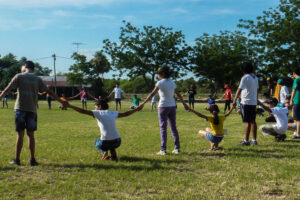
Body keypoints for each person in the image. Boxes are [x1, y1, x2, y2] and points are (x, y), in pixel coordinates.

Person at [0, 61, 66, 166]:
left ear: (25, 66)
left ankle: (17, 160)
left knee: (20, 135)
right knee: (31, 135)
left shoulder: (18, 76)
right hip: (32, 110)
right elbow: (50, 92)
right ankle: (32, 160)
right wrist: (61, 101)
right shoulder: (37, 79)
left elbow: (7, 89)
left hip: (20, 109)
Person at [65, 99, 142, 161]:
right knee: (110, 141)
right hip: (118, 141)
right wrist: (136, 109)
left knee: (96, 142)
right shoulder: (112, 113)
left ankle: (105, 152)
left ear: (100, 107)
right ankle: (113, 153)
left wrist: (70, 106)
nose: (94, 109)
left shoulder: (98, 113)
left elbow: (83, 111)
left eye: (95, 107)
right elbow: (125, 114)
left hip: (105, 143)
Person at [137, 67, 189, 155]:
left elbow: (152, 94)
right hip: (172, 106)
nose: (157, 75)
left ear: (163, 74)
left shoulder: (160, 83)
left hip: (163, 106)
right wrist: (184, 104)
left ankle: (163, 150)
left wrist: (143, 103)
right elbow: (178, 94)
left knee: (163, 128)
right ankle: (177, 148)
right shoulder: (172, 82)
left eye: (158, 74)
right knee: (173, 127)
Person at [233, 61, 259, 146]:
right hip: (253, 102)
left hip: (246, 102)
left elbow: (239, 89)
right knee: (253, 121)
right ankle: (254, 140)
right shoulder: (255, 77)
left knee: (247, 122)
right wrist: (256, 100)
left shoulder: (245, 77)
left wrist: (234, 100)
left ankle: (246, 141)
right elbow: (257, 90)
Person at [289, 68, 300, 139]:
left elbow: (294, 90)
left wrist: (291, 99)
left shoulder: (297, 80)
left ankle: (298, 134)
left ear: (294, 73)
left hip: (298, 100)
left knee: (298, 119)